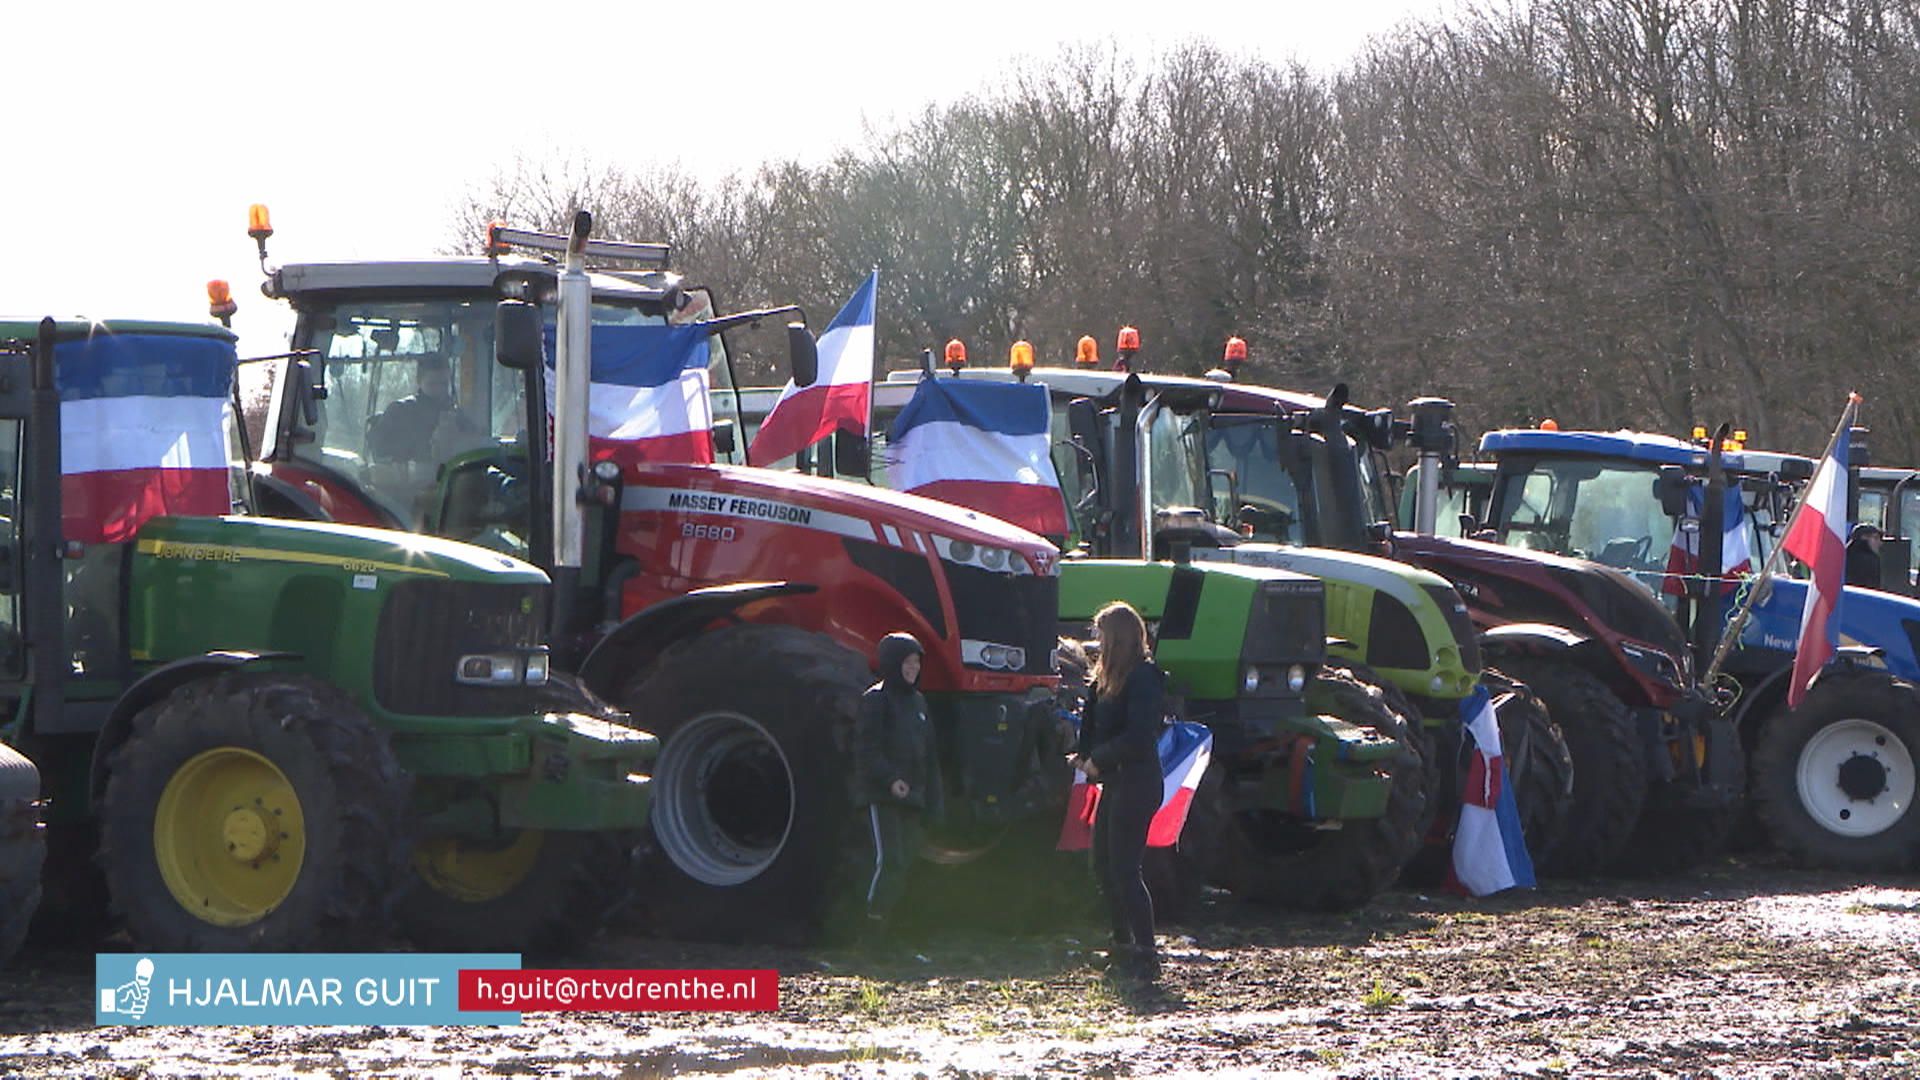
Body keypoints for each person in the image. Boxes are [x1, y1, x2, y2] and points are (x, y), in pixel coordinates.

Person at [1071, 601, 1166, 982]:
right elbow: (1095, 724)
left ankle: (1146, 952)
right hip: (1117, 779)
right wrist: (1083, 755)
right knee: (1104, 864)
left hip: (1138, 780)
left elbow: (1140, 736)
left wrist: (1101, 759)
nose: (1096, 642)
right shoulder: (1106, 678)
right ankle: (1122, 943)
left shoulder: (1144, 677)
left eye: (1101, 635)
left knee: (1126, 868)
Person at [853, 632, 943, 939]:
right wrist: (890, 780)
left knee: (906, 863)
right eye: (907, 662)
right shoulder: (876, 700)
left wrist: (934, 800)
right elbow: (867, 750)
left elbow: (929, 754)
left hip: (914, 797)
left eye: (917, 662)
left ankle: (897, 930)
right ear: (893, 663)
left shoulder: (918, 702)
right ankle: (872, 927)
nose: (913, 668)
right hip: (884, 796)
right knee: (889, 860)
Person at [365, 356, 486, 466]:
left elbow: (476, 447)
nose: (439, 390)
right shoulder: (400, 411)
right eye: (432, 384)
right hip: (408, 485)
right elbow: (380, 450)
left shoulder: (457, 416)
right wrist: (425, 449)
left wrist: (459, 438)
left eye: (443, 384)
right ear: (419, 381)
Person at [1847, 523, 1885, 588]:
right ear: (1863, 538)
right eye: (1875, 538)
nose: (1880, 543)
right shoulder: (1871, 561)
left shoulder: (1842, 558)